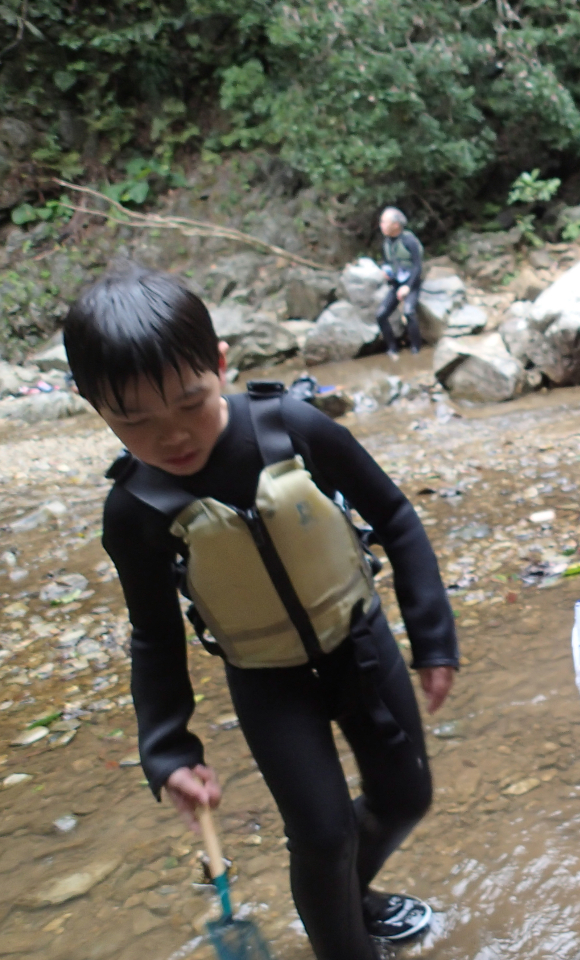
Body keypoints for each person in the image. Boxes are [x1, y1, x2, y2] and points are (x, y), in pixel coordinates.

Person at [63, 265, 459, 960]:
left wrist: (431, 638)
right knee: (323, 834)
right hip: (268, 682)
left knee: (406, 796)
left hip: (360, 645)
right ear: (92, 404)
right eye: (135, 421)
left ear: (220, 365)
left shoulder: (292, 427)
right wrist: (169, 750)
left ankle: (346, 903)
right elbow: (154, 636)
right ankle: (342, 941)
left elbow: (396, 518)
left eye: (190, 402)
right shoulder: (135, 510)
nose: (173, 436)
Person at [375, 206, 424, 358]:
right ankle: (392, 349)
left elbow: (417, 266)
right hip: (396, 284)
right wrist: (386, 272)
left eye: (384, 222)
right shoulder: (386, 243)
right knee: (381, 315)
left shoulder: (409, 240)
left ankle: (416, 349)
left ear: (396, 225)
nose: (381, 225)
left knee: (408, 312)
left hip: (412, 283)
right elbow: (386, 262)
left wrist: (408, 287)